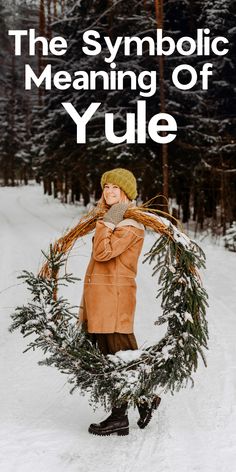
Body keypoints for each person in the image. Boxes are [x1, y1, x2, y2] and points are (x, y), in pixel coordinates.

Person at [79, 168, 161, 436]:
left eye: (116, 187)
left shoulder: (128, 224)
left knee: (121, 357)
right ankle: (142, 401)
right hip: (103, 298)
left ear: (127, 192)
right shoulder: (115, 219)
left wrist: (106, 222)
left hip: (114, 299)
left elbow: (102, 253)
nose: (110, 191)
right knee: (114, 356)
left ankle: (124, 413)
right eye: (106, 187)